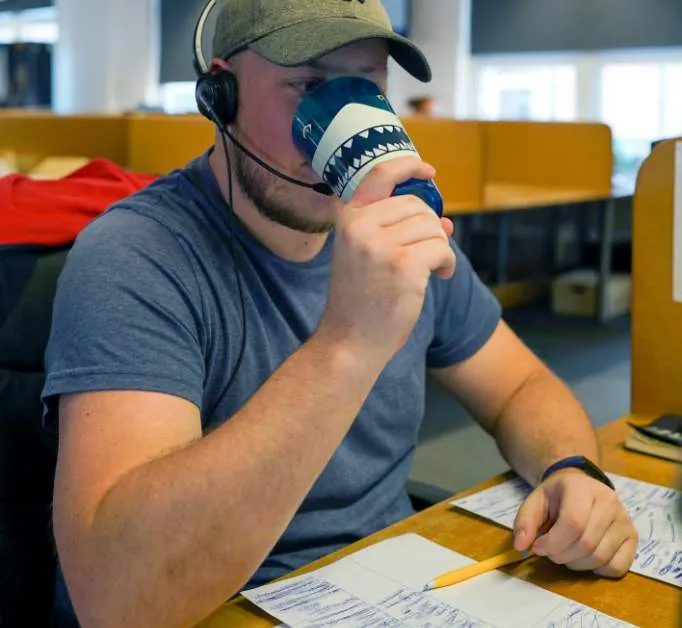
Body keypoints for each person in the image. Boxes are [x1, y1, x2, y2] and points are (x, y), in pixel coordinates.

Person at [44, 1, 638, 626]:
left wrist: (570, 466)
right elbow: (116, 601)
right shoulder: (137, 256)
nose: (343, 123)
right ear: (222, 94)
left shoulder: (400, 233)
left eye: (366, 87)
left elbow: (519, 386)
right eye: (307, 86)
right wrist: (348, 345)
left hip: (389, 587)